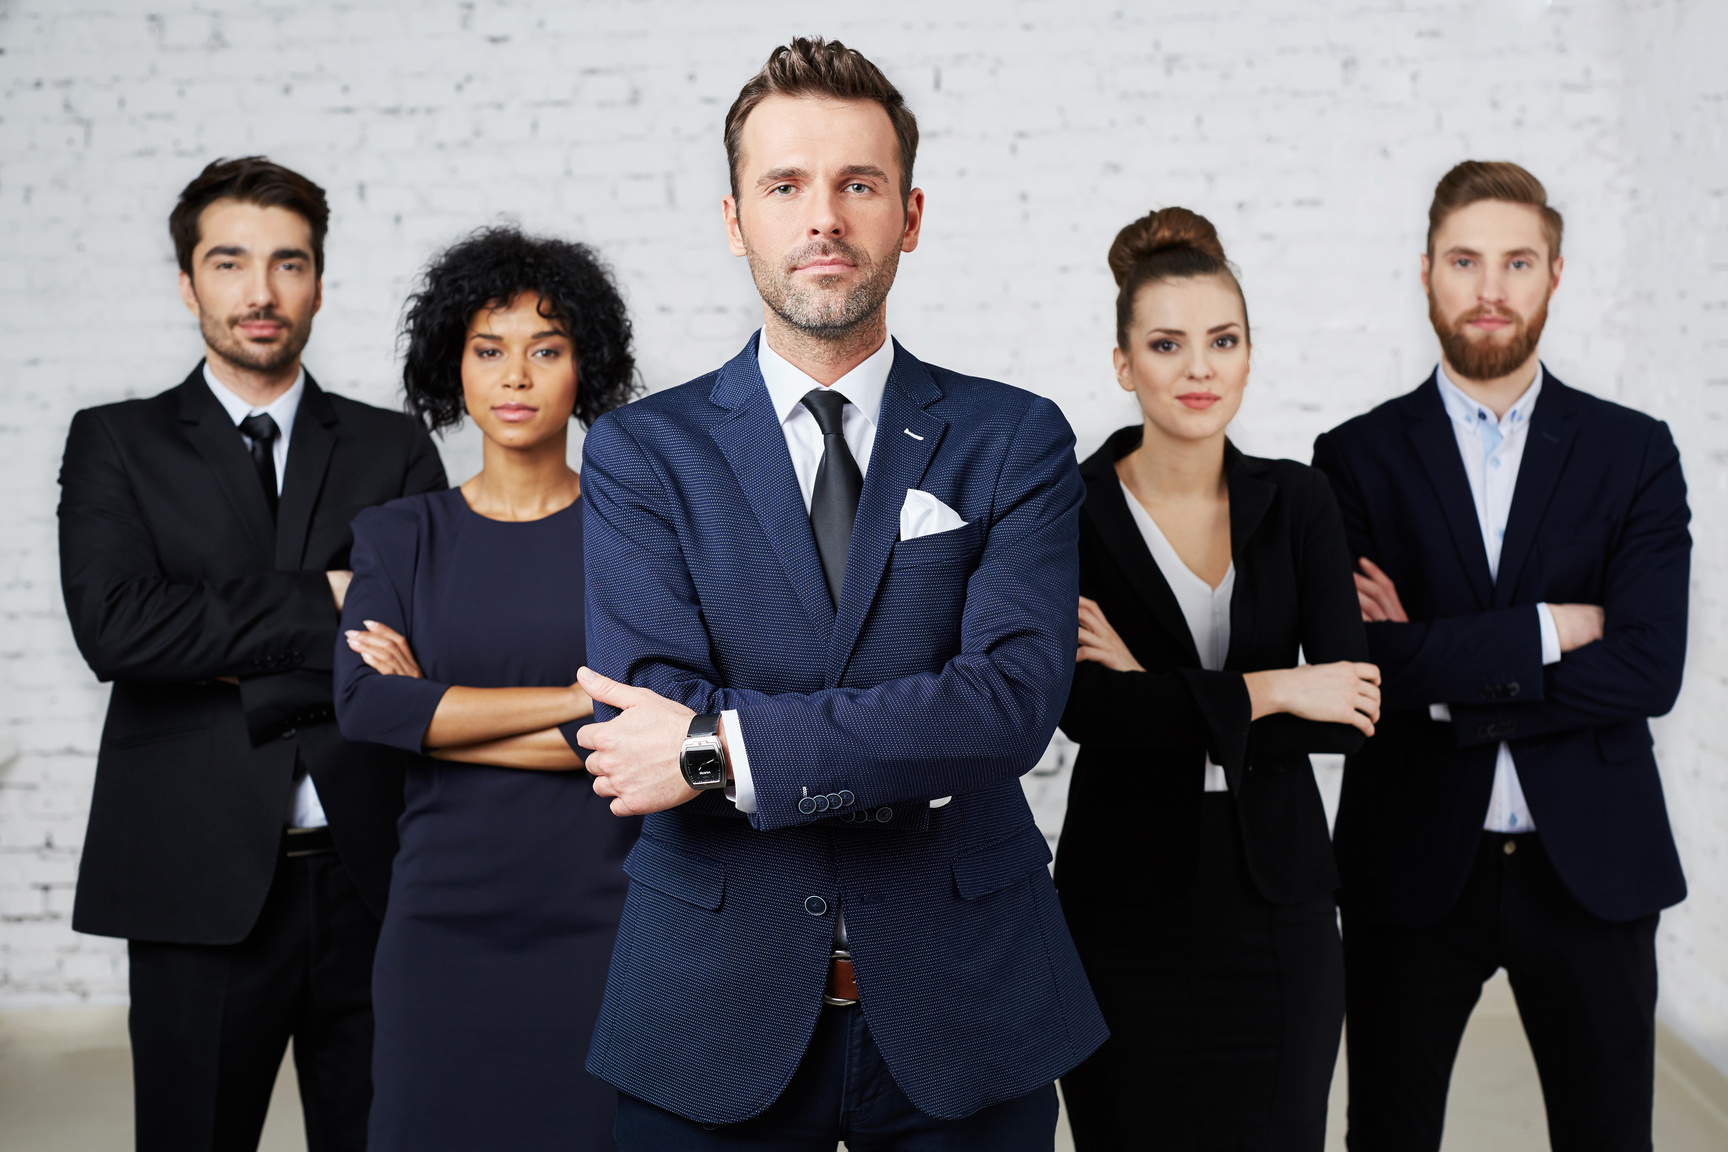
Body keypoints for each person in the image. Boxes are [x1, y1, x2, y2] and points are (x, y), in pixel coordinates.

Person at [571, 37, 1107, 1151]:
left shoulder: (1013, 439)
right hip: (711, 1005)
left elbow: (1009, 705)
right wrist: (910, 734)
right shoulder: (641, 454)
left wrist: (721, 752)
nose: (824, 217)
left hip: (970, 1001)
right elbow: (644, 708)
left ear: (908, 215)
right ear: (735, 220)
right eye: (785, 186)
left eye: (857, 185)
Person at [57, 157, 447, 1151]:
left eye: (288, 263)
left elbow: (421, 641)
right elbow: (119, 631)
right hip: (193, 878)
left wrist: (209, 636)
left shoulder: (391, 446)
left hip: (373, 873)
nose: (260, 292)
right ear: (189, 282)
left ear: (319, 280)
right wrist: (325, 599)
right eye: (229, 263)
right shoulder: (116, 442)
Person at [1311, 161, 1691, 1152]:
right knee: (1388, 1133)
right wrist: (1550, 630)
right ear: (1427, 273)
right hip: (1412, 860)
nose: (1491, 287)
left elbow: (1650, 669)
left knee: (1608, 1136)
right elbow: (1360, 666)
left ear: (1555, 275)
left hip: (1595, 865)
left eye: (1517, 261)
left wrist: (1439, 675)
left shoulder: (1634, 452)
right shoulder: (1354, 457)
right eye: (1465, 260)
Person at [1053, 208, 1380, 1151]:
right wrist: (1277, 688)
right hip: (1121, 911)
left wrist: (1156, 687)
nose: (1199, 369)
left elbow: (1348, 711)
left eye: (1223, 341)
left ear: (1247, 355)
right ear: (1125, 364)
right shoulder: (1071, 510)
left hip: (1277, 908)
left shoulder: (1300, 500)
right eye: (1167, 344)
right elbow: (1088, 712)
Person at [330, 226, 642, 1151]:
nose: (516, 377)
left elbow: (663, 725)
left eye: (546, 350)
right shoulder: (397, 533)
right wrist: (578, 700)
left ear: (585, 367)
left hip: (606, 916)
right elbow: (367, 708)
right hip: (440, 922)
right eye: (489, 350)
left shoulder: (632, 534)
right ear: (453, 368)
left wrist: (437, 708)